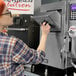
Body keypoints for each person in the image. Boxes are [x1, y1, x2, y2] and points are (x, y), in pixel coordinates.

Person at [0, 0, 51, 76]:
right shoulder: (12, 43)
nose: (13, 15)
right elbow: (38, 58)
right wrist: (44, 34)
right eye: (8, 12)